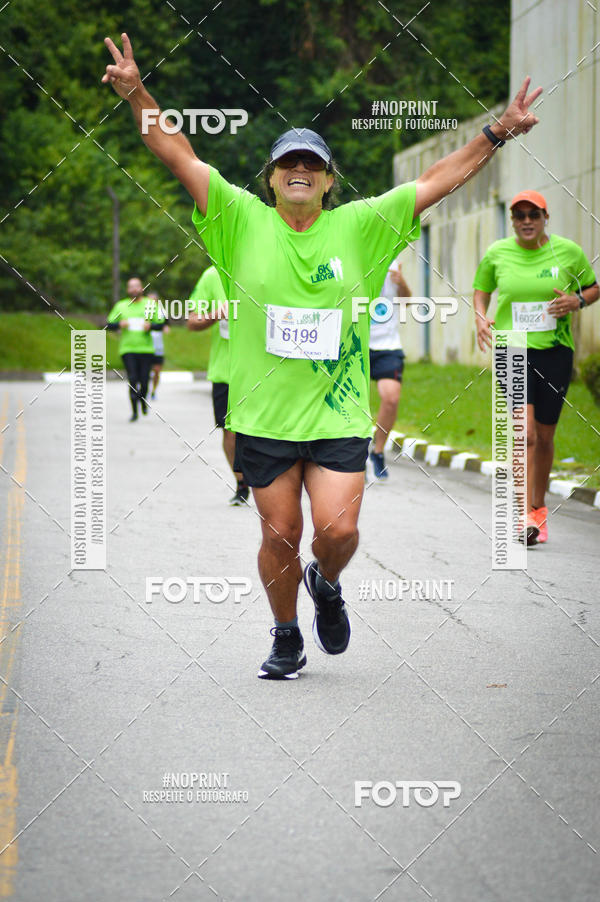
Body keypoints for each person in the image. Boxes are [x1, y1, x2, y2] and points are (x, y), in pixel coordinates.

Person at [103, 33, 541, 677]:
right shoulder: (237, 219)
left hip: (337, 417)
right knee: (277, 534)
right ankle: (285, 634)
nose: (298, 170)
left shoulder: (362, 225)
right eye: (287, 164)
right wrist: (137, 91)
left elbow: (435, 181)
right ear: (272, 178)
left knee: (336, 534)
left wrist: (496, 133)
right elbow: (178, 153)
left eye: (311, 163)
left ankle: (326, 584)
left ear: (329, 180)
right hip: (264, 417)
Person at [473, 190, 598, 544]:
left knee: (544, 437)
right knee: (523, 433)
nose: (526, 221)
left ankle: (538, 509)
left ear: (545, 218)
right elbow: (481, 291)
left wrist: (577, 301)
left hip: (555, 351)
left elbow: (593, 287)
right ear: (512, 220)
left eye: (533, 214)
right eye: (519, 215)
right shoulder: (498, 253)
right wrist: (481, 318)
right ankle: (523, 514)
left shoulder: (568, 252)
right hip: (511, 349)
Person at [187, 265, 249, 506]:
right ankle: (241, 482)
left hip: (263, 371)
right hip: (226, 371)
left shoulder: (267, 264)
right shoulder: (212, 275)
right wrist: (216, 314)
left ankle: (267, 480)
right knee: (230, 431)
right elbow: (192, 321)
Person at [367, 257, 411, 481]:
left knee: (391, 398)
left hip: (388, 345)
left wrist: (401, 282)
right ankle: (355, 452)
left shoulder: (394, 262)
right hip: (357, 344)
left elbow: (407, 302)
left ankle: (377, 450)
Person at [106, 276, 166, 421]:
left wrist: (150, 326)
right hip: (128, 349)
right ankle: (134, 412)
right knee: (133, 379)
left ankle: (143, 401)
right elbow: (109, 324)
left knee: (144, 381)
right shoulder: (121, 306)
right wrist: (119, 324)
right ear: (127, 290)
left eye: (136, 286)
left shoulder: (150, 304)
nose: (134, 289)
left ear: (142, 288)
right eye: (131, 286)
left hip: (146, 349)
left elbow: (161, 324)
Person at [146, 291, 170, 400]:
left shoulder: (161, 312)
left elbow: (166, 325)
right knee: (145, 371)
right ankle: (144, 390)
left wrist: (165, 328)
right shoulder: (143, 311)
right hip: (145, 346)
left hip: (158, 346)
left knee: (156, 371)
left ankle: (154, 391)